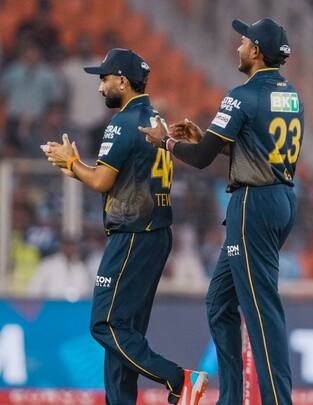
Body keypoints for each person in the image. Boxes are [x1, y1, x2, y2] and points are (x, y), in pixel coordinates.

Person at [141, 18, 300, 405]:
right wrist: (210, 140)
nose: (238, 48)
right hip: (279, 198)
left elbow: (199, 158)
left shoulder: (242, 95)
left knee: (261, 311)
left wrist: (165, 142)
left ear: (256, 51)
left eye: (243, 42)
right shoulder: (289, 93)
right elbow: (259, 149)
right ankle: (230, 398)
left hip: (254, 205)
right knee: (220, 302)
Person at [42, 48, 207, 405]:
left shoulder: (123, 122)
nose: (100, 87)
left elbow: (101, 180)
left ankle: (179, 379)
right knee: (125, 331)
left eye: (104, 79)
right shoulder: (156, 118)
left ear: (122, 80)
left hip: (133, 234)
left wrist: (71, 163)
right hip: (155, 234)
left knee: (105, 324)